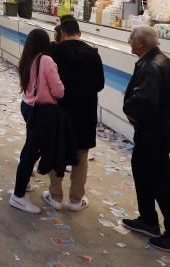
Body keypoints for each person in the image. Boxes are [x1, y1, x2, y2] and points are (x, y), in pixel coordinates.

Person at [121, 25, 170, 255]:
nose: (129, 42)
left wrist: (130, 110)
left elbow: (145, 101)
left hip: (154, 133)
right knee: (143, 173)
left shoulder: (151, 67)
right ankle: (148, 220)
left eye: (132, 39)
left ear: (141, 43)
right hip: (161, 130)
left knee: (160, 182)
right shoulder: (164, 61)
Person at [44, 17, 104, 212]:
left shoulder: (53, 52)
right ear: (79, 33)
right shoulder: (93, 54)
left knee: (56, 149)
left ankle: (55, 196)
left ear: (61, 33)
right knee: (81, 154)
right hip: (85, 112)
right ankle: (76, 200)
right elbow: (99, 84)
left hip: (59, 110)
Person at [9, 28, 66, 214]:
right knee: (31, 153)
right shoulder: (46, 60)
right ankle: (18, 196)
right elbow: (58, 90)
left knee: (30, 148)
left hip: (28, 107)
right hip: (42, 111)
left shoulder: (27, 59)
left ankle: (22, 186)